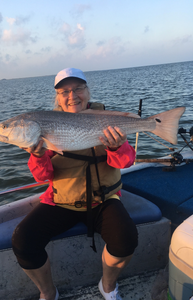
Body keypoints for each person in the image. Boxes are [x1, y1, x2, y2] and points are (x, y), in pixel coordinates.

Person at [12, 68, 138, 300]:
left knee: (126, 238)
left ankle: (107, 286)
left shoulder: (106, 119)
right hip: (62, 201)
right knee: (22, 240)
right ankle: (48, 293)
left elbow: (127, 161)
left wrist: (115, 146)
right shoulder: (46, 124)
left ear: (87, 91)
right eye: (64, 91)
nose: (72, 96)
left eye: (78, 88)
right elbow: (42, 176)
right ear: (58, 97)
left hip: (104, 198)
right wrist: (38, 155)